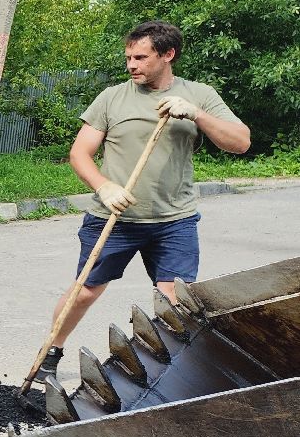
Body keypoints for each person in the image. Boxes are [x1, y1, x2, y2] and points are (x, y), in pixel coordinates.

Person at [35, 20, 251, 381]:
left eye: (140, 57)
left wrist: (195, 113)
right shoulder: (112, 98)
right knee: (85, 292)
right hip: (113, 219)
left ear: (168, 55)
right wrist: (104, 186)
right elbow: (80, 154)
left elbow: (240, 142)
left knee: (173, 302)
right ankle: (50, 353)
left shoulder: (199, 94)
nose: (132, 65)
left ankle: (162, 371)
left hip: (174, 221)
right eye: (128, 58)